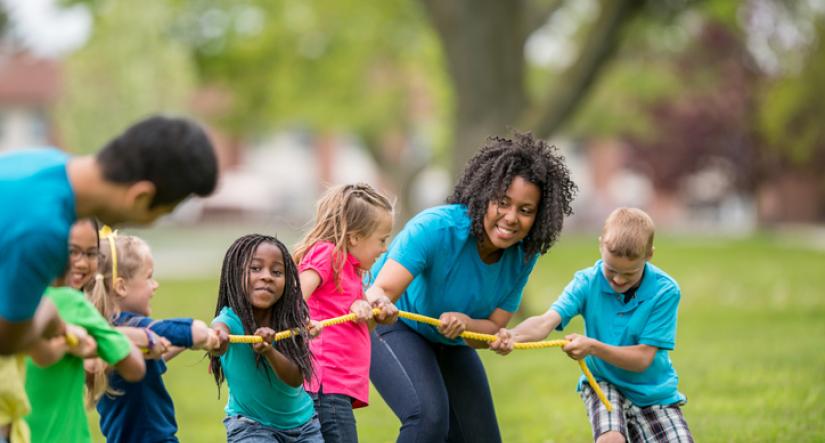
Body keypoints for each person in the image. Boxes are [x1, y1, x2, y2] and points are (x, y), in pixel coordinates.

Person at [365, 131, 577, 442]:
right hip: (396, 327)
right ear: (485, 196)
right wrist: (378, 305)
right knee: (429, 418)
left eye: (525, 210)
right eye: (502, 202)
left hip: (450, 341)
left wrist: (466, 324)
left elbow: (491, 328)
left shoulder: (523, 255)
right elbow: (379, 293)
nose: (511, 218)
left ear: (539, 216)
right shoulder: (436, 228)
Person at [0, 115, 219, 355]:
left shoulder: (40, 161)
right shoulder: (45, 230)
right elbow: (7, 340)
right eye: (162, 213)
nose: (152, 224)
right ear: (141, 196)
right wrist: (55, 319)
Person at [491, 208, 693, 443]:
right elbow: (546, 321)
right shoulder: (586, 282)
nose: (618, 279)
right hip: (603, 382)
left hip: (653, 391)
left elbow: (642, 359)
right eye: (611, 270)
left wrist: (593, 347)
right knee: (611, 439)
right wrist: (512, 336)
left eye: (629, 273)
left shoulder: (665, 291)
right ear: (601, 246)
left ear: (649, 255)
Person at [85, 232, 227, 442]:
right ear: (121, 287)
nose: (155, 285)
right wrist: (197, 331)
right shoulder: (131, 326)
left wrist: (194, 343)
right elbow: (165, 331)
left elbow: (152, 354)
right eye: (148, 277)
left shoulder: (107, 333)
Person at [293, 183, 398, 443]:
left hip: (336, 387)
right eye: (381, 240)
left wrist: (374, 314)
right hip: (325, 384)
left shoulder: (352, 271)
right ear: (354, 238)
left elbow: (361, 328)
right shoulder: (327, 254)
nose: (384, 248)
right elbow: (293, 300)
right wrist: (305, 322)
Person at [210, 234, 323, 442]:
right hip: (250, 425)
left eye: (277, 272)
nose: (267, 276)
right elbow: (218, 339)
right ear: (235, 274)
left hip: (305, 427)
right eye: (255, 268)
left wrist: (269, 350)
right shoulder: (228, 320)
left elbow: (295, 378)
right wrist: (217, 340)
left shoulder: (291, 320)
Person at [24, 284, 146, 443]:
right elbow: (135, 369)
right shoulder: (67, 301)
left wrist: (66, 341)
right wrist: (147, 340)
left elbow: (42, 356)